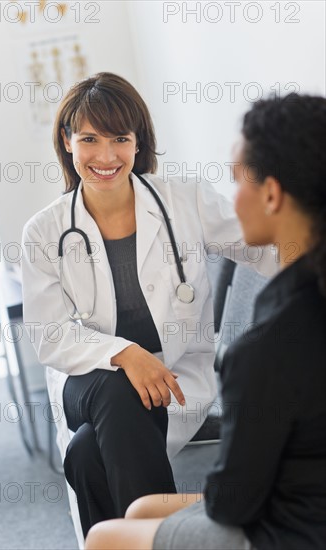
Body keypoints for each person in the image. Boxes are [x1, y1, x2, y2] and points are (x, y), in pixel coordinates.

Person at [21, 72, 276, 539]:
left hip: (175, 380)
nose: (105, 155)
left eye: (120, 138)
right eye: (89, 139)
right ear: (67, 141)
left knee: (86, 455)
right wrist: (124, 354)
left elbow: (260, 245)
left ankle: (121, 545)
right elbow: (50, 335)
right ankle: (167, 541)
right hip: (88, 384)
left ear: (139, 142)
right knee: (117, 389)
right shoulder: (45, 230)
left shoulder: (185, 200)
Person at [84, 93, 326, 550]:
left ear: (272, 193)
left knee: (104, 538)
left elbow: (235, 502)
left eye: (239, 182)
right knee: (137, 507)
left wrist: (212, 493)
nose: (232, 201)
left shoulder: (264, 350)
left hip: (292, 528)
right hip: (303, 493)